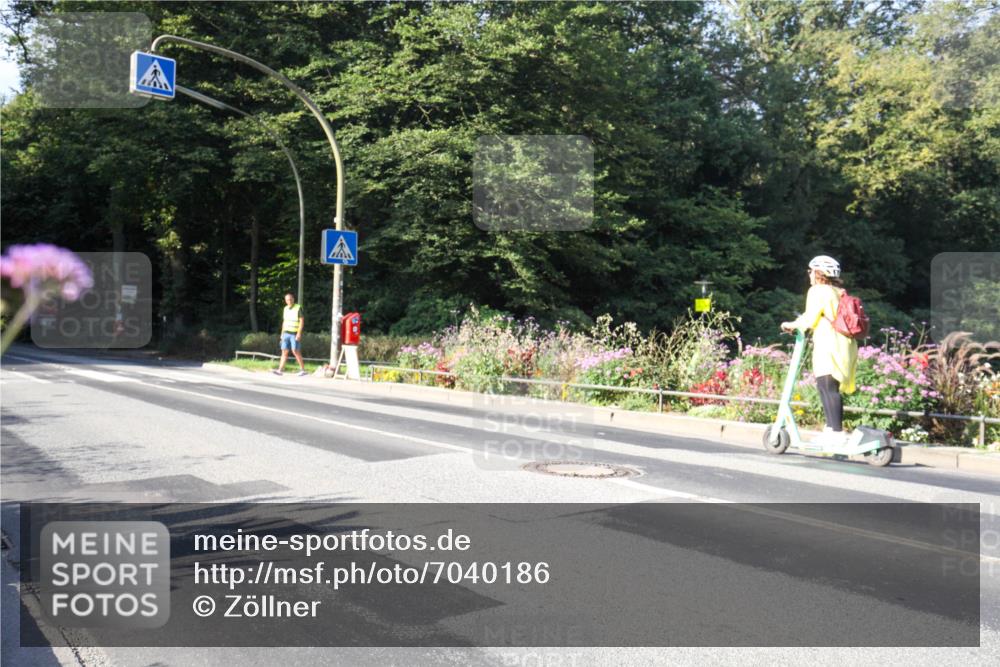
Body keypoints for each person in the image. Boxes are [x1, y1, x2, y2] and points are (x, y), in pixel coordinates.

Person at [780, 255, 858, 446]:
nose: (809, 275)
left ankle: (837, 433)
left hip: (829, 343)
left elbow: (810, 317)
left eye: (811, 271)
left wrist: (790, 324)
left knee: (828, 387)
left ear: (818, 273)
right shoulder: (837, 291)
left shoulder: (818, 291)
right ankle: (831, 429)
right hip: (844, 343)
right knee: (826, 386)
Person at [274, 293, 307, 376]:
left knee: (295, 351)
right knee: (284, 351)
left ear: (293, 299)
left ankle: (303, 370)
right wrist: (282, 334)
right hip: (286, 333)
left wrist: (299, 333)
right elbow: (284, 322)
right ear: (285, 301)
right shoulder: (285, 308)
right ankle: (280, 370)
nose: (289, 301)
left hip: (294, 333)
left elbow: (302, 321)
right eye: (287, 300)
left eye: (290, 299)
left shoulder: (298, 308)